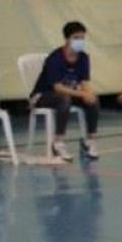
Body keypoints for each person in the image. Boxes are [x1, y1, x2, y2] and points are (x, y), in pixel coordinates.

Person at [31, 20, 100, 161]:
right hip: (43, 95)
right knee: (64, 100)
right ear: (67, 39)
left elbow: (84, 81)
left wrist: (89, 94)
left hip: (67, 93)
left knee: (93, 100)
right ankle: (58, 142)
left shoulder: (84, 57)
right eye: (76, 38)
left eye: (82, 38)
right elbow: (58, 87)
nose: (80, 41)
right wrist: (82, 93)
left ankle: (90, 140)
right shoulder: (55, 58)